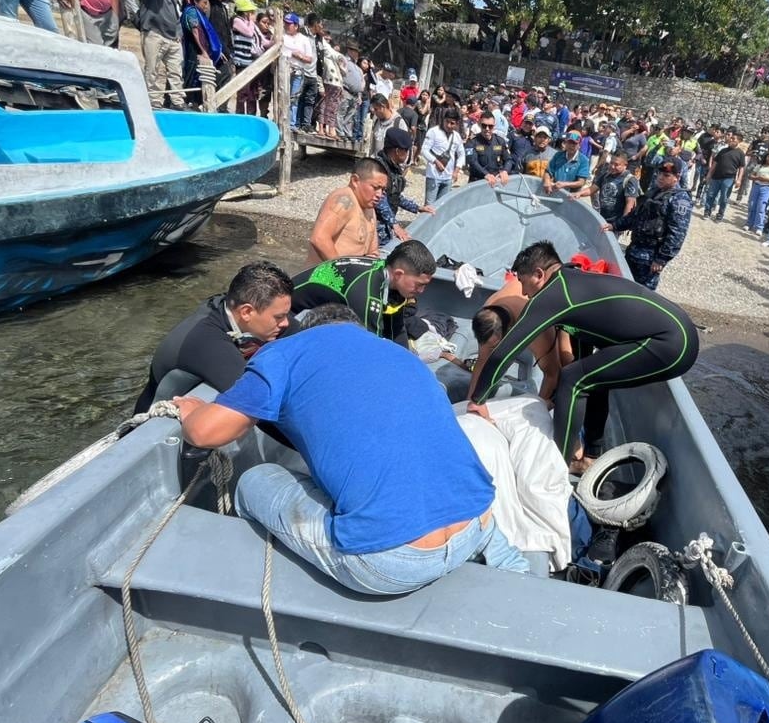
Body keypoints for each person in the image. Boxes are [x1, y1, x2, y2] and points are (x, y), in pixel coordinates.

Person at [175, 305, 529, 596]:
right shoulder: (399, 354)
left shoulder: (284, 353)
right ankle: (514, 569)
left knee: (255, 478)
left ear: (307, 331)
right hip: (475, 525)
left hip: (391, 563)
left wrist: (191, 412)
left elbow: (206, 433)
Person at [467, 242, 698, 472]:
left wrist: (478, 400)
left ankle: (555, 467)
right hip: (677, 334)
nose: (525, 293)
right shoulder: (573, 283)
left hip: (671, 344)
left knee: (574, 378)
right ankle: (590, 457)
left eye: (524, 283)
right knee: (588, 377)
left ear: (539, 275)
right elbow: (579, 355)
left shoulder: (553, 295)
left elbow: (507, 350)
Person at [133, 262, 293, 413]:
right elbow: (258, 399)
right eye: (279, 317)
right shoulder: (207, 343)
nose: (285, 323)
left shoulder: (229, 306)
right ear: (246, 312)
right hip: (150, 428)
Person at [289, 240, 435, 343]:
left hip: (321, 313)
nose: (421, 291)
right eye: (419, 285)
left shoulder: (389, 278)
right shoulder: (366, 291)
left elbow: (395, 329)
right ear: (398, 274)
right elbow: (369, 346)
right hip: (289, 315)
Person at [607, 158, 693, 290]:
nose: (660, 177)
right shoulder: (654, 192)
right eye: (659, 173)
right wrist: (614, 226)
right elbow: (634, 216)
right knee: (624, 288)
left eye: (666, 175)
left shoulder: (679, 200)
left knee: (643, 295)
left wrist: (661, 259)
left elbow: (677, 234)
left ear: (677, 177)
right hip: (634, 250)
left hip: (651, 258)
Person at [306, 157, 390, 266]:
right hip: (324, 277)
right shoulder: (344, 199)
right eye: (375, 187)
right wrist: (341, 272)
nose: (379, 194)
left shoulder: (370, 208)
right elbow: (319, 238)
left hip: (350, 277)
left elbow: (372, 251)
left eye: (383, 189)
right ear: (355, 181)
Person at [137, 0, 185, 110]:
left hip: (172, 37)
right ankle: (152, 102)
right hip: (154, 34)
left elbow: (175, 13)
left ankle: (178, 102)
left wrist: (178, 34)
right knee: (152, 72)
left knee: (176, 73)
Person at [374, 127, 435, 249]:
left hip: (385, 225)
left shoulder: (393, 168)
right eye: (406, 150)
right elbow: (380, 198)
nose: (408, 154)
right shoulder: (379, 168)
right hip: (374, 225)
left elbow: (395, 196)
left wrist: (417, 208)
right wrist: (395, 225)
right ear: (398, 151)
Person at [181, 0, 225, 108]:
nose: (206, 6)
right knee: (191, 76)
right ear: (195, 1)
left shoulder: (200, 14)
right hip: (193, 50)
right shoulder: (191, 12)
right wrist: (203, 51)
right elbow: (196, 32)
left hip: (199, 50)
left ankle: (195, 103)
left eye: (207, 4)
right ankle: (187, 102)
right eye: (204, 3)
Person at [574, 150, 639, 224]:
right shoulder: (606, 175)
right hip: (601, 219)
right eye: (611, 163)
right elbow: (591, 189)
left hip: (615, 223)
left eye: (617, 164)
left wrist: (621, 223)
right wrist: (578, 193)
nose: (612, 166)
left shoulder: (630, 180)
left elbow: (629, 204)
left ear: (625, 165)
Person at [420, 107, 465, 206]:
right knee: (430, 205)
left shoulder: (457, 136)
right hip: (433, 175)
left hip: (448, 177)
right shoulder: (433, 132)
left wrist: (456, 171)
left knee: (442, 205)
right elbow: (424, 150)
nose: (449, 125)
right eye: (447, 122)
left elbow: (461, 154)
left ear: (457, 124)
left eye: (452, 123)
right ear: (443, 120)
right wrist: (436, 161)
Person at [703, 129, 746, 221]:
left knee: (724, 198)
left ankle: (720, 214)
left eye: (734, 139)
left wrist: (739, 179)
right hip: (716, 177)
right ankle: (707, 211)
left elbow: (741, 168)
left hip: (728, 178)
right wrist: (709, 174)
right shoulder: (723, 150)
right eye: (731, 138)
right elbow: (715, 163)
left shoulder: (740, 153)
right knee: (710, 194)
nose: (731, 140)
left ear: (739, 141)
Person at [466, 111, 516, 186]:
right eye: (484, 125)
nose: (487, 129)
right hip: (478, 182)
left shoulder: (500, 141)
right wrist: (486, 174)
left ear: (494, 126)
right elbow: (472, 161)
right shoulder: (472, 142)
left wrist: (505, 171)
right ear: (479, 124)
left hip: (495, 182)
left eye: (490, 126)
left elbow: (508, 159)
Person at [543, 131, 592, 195]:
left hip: (571, 195)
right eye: (569, 142)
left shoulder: (584, 160)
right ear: (565, 143)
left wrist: (564, 184)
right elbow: (548, 171)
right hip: (554, 191)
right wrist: (547, 180)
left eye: (574, 143)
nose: (571, 146)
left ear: (579, 145)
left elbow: (581, 182)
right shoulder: (558, 155)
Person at [745, 150, 769, 233]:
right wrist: (758, 178)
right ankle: (749, 223)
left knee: (761, 206)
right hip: (756, 186)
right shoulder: (760, 166)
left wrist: (766, 179)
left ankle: (759, 227)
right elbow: (751, 175)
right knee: (752, 204)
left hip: (766, 187)